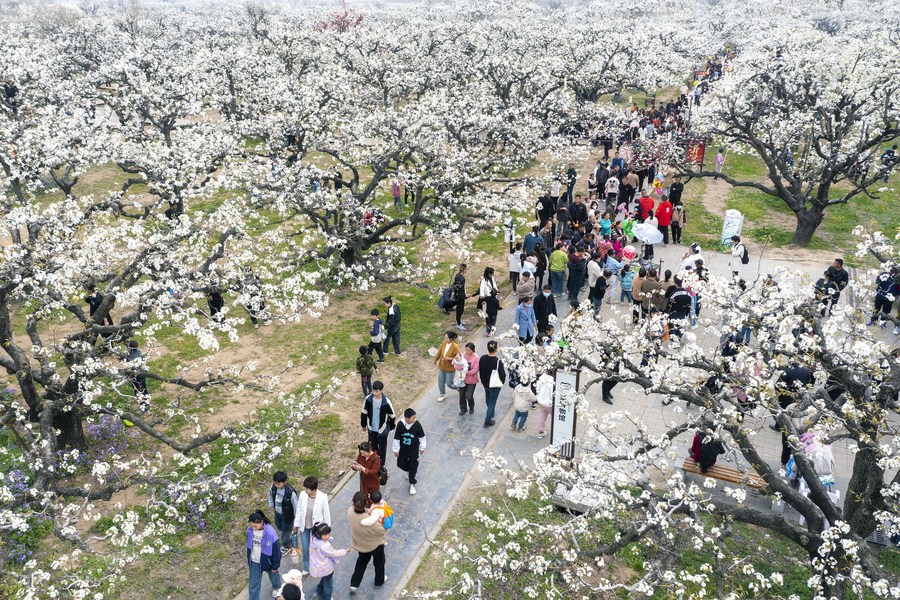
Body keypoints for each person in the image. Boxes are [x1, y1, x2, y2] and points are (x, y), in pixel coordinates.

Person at [348, 491, 387, 592]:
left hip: (361, 544)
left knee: (361, 562)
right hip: (375, 545)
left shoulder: (350, 511)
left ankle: (354, 584)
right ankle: (379, 582)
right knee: (379, 563)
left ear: (353, 502)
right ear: (366, 503)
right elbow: (382, 531)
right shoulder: (369, 520)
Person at [293, 475, 331, 575]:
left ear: (313, 489)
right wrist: (296, 524)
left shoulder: (322, 497)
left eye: (307, 488)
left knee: (317, 547)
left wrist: (327, 530)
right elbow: (299, 510)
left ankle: (320, 564)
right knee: (305, 547)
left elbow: (326, 513)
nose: (305, 490)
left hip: (316, 528)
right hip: (304, 526)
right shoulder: (302, 495)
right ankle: (307, 566)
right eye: (305, 488)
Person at [309, 522, 353, 600]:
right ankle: (327, 597)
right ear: (319, 534)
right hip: (326, 568)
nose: (328, 536)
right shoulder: (324, 546)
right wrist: (345, 551)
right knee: (328, 583)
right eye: (325, 535)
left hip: (317, 566)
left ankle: (318, 590)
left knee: (324, 578)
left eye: (328, 534)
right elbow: (334, 553)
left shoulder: (313, 539)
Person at [246, 511, 283, 600]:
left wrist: (275, 566)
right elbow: (249, 546)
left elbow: (276, 551)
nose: (253, 528)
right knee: (253, 585)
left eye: (255, 526)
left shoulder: (270, 533)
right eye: (251, 526)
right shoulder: (249, 530)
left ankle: (277, 587)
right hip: (254, 561)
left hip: (268, 561)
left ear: (261, 522)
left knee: (274, 576)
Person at [360, 380, 395, 468]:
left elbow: (392, 415)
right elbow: (364, 412)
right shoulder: (368, 400)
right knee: (372, 447)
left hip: (382, 430)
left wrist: (390, 427)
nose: (374, 393)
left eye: (376, 391)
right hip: (371, 429)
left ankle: (381, 464)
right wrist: (363, 425)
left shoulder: (386, 402)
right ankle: (372, 462)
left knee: (382, 449)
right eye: (373, 390)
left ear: (381, 391)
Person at [393, 407, 426, 495]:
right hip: (403, 450)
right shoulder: (400, 425)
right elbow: (396, 437)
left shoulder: (417, 425)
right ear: (407, 418)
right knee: (401, 464)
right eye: (413, 418)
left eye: (415, 417)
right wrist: (396, 449)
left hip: (414, 450)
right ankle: (408, 471)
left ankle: (412, 483)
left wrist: (422, 447)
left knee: (413, 466)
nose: (415, 419)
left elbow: (422, 437)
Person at [268, 471, 300, 555]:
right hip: (278, 513)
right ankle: (289, 535)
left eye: (278, 484)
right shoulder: (273, 488)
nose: (276, 485)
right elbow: (271, 496)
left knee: (284, 532)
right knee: (279, 527)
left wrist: (296, 519)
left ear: (285, 482)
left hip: (287, 516)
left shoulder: (290, 492)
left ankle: (286, 546)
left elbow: (296, 506)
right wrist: (272, 506)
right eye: (275, 483)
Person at [478, 340, 506, 428]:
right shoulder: (498, 361)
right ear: (496, 349)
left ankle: (491, 412)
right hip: (494, 385)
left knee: (488, 398)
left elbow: (480, 370)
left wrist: (483, 381)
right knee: (492, 402)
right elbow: (502, 375)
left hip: (485, 383)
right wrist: (502, 382)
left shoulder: (482, 358)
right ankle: (487, 420)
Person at [433, 331, 461, 402]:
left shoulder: (455, 347)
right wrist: (436, 359)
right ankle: (442, 394)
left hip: (450, 368)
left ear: (451, 339)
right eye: (444, 337)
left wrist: (449, 358)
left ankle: (459, 388)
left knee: (449, 383)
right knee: (440, 382)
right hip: (442, 366)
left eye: (446, 338)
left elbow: (459, 358)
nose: (445, 339)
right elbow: (439, 352)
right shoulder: (443, 343)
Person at [125, 340, 150, 413]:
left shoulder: (132, 356)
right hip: (142, 374)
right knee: (144, 389)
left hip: (136, 377)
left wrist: (129, 376)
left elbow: (133, 369)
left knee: (138, 391)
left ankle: (144, 407)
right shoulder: (138, 352)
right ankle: (146, 403)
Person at [450, 263, 476, 330]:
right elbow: (458, 289)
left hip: (461, 295)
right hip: (459, 297)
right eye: (466, 269)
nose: (466, 270)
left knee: (461, 310)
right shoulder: (459, 277)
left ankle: (459, 320)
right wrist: (462, 296)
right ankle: (458, 324)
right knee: (459, 310)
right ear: (464, 269)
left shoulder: (461, 276)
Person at [457, 343, 480, 415]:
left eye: (469, 350)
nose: (467, 352)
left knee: (469, 396)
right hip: (462, 379)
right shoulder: (462, 356)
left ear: (473, 350)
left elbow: (475, 370)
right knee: (462, 395)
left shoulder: (476, 358)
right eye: (466, 350)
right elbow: (458, 366)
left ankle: (471, 407)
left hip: (472, 380)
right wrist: (460, 368)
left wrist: (465, 372)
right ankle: (463, 409)